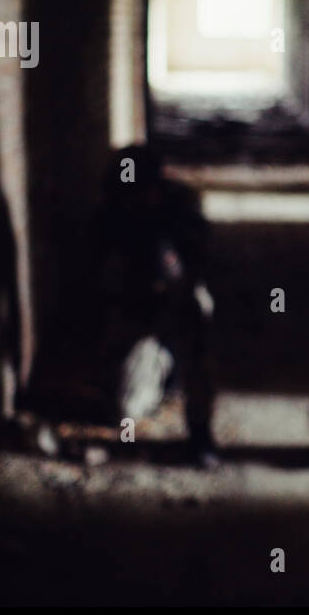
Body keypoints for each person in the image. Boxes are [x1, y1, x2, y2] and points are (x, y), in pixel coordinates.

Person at [96, 144, 218, 467]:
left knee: (197, 338)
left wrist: (178, 286)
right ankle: (159, 366)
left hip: (180, 297)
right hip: (137, 301)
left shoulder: (181, 207)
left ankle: (201, 433)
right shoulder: (113, 216)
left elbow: (203, 265)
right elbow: (100, 276)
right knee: (124, 408)